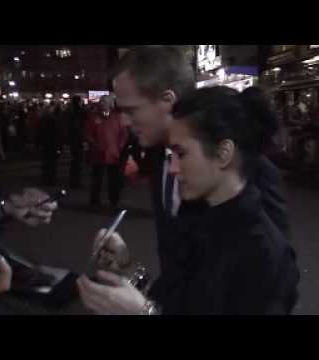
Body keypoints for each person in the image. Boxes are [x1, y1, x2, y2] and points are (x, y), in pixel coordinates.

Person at [77, 86, 299, 314]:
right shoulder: (198, 219)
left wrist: (144, 312)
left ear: (224, 153)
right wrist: (127, 267)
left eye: (181, 154)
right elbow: (174, 299)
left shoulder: (264, 254)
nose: (172, 168)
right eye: (170, 156)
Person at [105, 46, 290, 283]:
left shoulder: (249, 168)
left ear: (167, 100)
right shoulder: (156, 155)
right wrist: (131, 271)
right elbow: (177, 265)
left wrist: (146, 310)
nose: (123, 121)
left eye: (131, 110)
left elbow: (272, 280)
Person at [85, 95, 129, 210]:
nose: (102, 104)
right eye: (101, 102)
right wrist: (94, 144)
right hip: (97, 153)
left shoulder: (118, 117)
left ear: (110, 104)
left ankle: (114, 201)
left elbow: (124, 134)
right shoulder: (93, 117)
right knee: (96, 179)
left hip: (113, 153)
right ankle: (94, 201)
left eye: (105, 102)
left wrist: (119, 146)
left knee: (114, 179)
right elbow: (88, 134)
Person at [66, 96, 87, 189]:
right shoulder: (80, 112)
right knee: (77, 161)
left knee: (75, 160)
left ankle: (73, 180)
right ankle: (75, 181)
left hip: (73, 138)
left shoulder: (69, 112)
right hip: (78, 138)